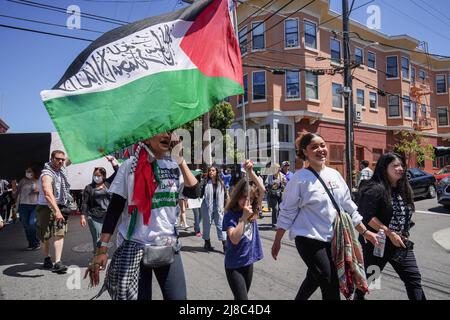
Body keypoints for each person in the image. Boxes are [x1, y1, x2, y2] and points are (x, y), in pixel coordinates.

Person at [86, 131, 199, 300]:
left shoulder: (174, 166)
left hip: (168, 246)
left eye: (170, 131)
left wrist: (180, 160)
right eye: (161, 131)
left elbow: (194, 191)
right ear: (146, 137)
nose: (167, 135)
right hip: (135, 249)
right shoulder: (129, 166)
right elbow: (114, 209)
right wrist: (102, 249)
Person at [271, 133, 378, 300]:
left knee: (314, 278)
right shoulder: (299, 179)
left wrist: (365, 232)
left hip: (334, 239)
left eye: (322, 145)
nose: (320, 150)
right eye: (314, 147)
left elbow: (348, 207)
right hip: (309, 239)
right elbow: (287, 212)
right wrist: (277, 241)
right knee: (329, 283)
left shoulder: (334, 175)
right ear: (305, 152)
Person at [355, 152, 426, 300]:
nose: (400, 168)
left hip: (399, 243)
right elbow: (367, 217)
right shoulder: (375, 188)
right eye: (395, 165)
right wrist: (389, 233)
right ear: (384, 167)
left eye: (401, 165)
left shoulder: (403, 188)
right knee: (371, 280)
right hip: (377, 244)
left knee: (413, 279)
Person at [222, 159, 265, 300]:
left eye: (250, 198)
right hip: (234, 265)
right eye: (243, 197)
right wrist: (243, 218)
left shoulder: (253, 210)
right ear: (237, 196)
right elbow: (234, 239)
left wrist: (251, 172)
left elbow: (262, 189)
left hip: (248, 262)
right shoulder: (230, 214)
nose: (246, 201)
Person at [36, 150, 71, 274]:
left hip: (60, 205)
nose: (61, 161)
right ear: (51, 159)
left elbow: (70, 159)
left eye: (62, 159)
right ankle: (47, 258)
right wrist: (56, 211)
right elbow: (47, 193)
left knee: (59, 233)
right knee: (45, 236)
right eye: (58, 159)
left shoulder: (61, 169)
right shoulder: (47, 174)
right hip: (46, 207)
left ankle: (58, 262)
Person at [80, 156, 119, 253]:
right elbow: (84, 203)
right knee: (97, 239)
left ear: (103, 176)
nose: (96, 177)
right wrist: (82, 216)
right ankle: (96, 258)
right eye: (95, 175)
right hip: (94, 217)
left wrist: (112, 161)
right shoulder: (89, 187)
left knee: (105, 240)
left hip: (107, 217)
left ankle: (101, 256)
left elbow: (118, 172)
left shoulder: (107, 184)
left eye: (99, 175)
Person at [12, 164, 42, 250]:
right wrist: (14, 188)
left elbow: (46, 192)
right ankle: (31, 243)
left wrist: (39, 190)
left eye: (29, 171)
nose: (27, 173)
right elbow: (15, 195)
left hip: (35, 206)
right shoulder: (23, 181)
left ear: (34, 172)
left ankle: (36, 242)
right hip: (23, 206)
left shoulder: (39, 180)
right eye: (27, 171)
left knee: (32, 224)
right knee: (26, 225)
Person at [201, 166, 226, 252]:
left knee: (220, 224)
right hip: (207, 205)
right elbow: (199, 193)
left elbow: (224, 196)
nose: (211, 172)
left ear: (216, 172)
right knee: (207, 224)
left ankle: (225, 246)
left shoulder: (221, 183)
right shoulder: (205, 182)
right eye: (209, 171)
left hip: (218, 205)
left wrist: (224, 207)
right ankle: (207, 243)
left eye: (213, 170)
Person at [266, 164, 286, 228]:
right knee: (275, 209)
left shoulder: (282, 175)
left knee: (281, 209)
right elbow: (266, 184)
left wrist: (284, 183)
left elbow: (286, 184)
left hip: (280, 194)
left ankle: (280, 222)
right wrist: (271, 186)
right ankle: (274, 223)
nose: (277, 169)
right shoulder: (270, 176)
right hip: (273, 194)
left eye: (278, 168)